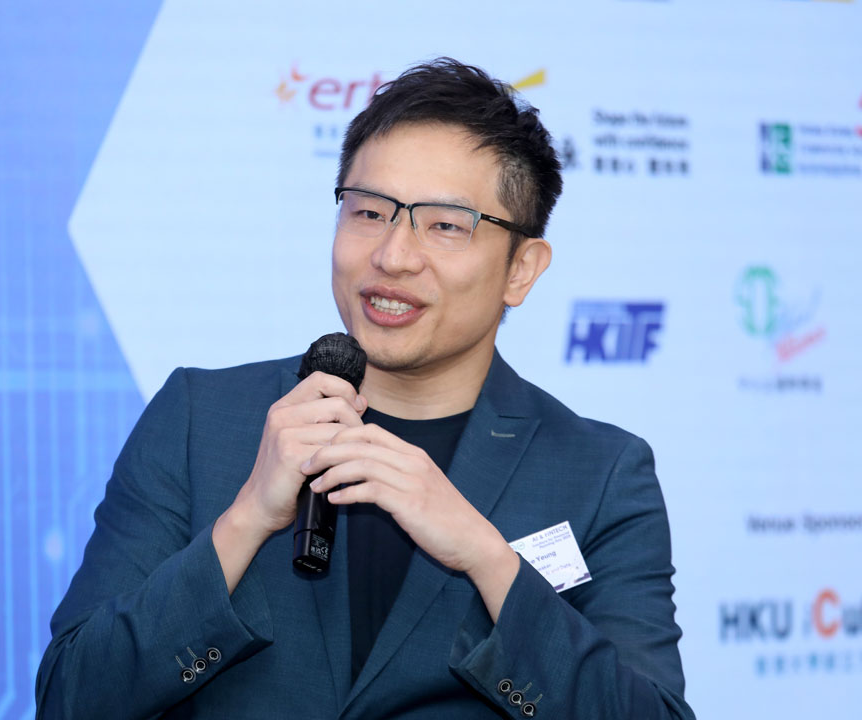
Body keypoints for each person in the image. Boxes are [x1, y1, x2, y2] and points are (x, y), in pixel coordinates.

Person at [35, 58, 695, 719]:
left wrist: (489, 561)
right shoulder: (199, 421)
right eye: (370, 212)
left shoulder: (600, 473)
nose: (392, 256)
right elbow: (70, 698)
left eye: (445, 224)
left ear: (521, 269)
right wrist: (244, 522)